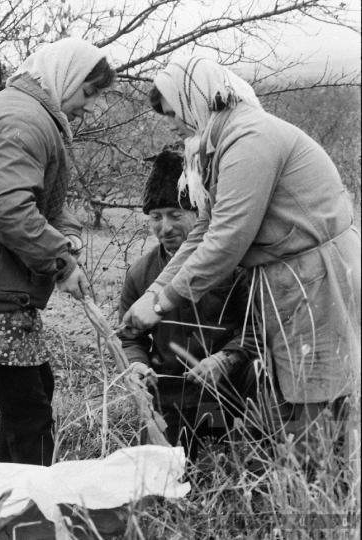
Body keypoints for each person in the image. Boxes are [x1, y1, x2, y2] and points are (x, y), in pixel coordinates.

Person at [122, 56, 361, 474]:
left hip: (317, 277)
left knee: (316, 393)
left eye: (174, 113)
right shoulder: (223, 140)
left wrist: (160, 305)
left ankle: (323, 494)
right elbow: (204, 229)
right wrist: (151, 294)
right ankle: (310, 484)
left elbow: (227, 240)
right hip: (292, 278)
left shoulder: (248, 140)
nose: (175, 126)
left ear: (192, 99)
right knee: (297, 389)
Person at [0, 38, 116, 466]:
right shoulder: (26, 119)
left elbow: (35, 197)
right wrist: (60, 263)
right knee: (30, 412)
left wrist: (65, 235)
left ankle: (4, 510)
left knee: (32, 397)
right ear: (65, 75)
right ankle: (30, 523)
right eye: (88, 92)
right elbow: (7, 208)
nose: (90, 106)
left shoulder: (27, 112)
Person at [119, 148, 262, 463]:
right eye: (156, 217)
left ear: (199, 216)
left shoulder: (236, 267)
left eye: (175, 214)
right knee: (168, 477)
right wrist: (136, 364)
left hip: (230, 396)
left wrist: (226, 359)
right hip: (170, 400)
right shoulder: (141, 273)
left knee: (232, 468)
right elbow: (130, 336)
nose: (164, 228)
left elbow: (261, 327)